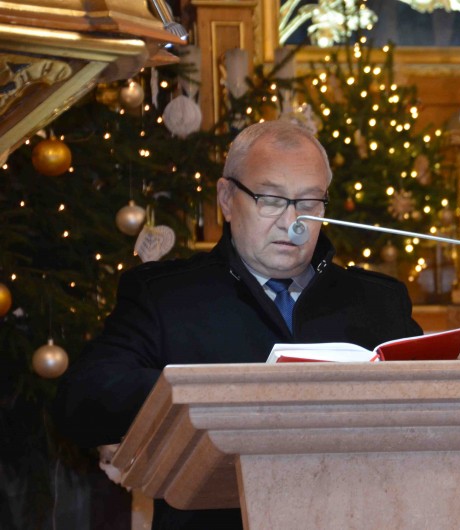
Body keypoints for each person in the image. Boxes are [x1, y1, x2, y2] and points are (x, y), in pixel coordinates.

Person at [53, 120, 423, 529]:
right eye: (270, 199)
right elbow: (82, 401)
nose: (292, 222)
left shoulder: (378, 301)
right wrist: (219, 396)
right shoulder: (166, 296)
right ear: (227, 199)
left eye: (309, 202)